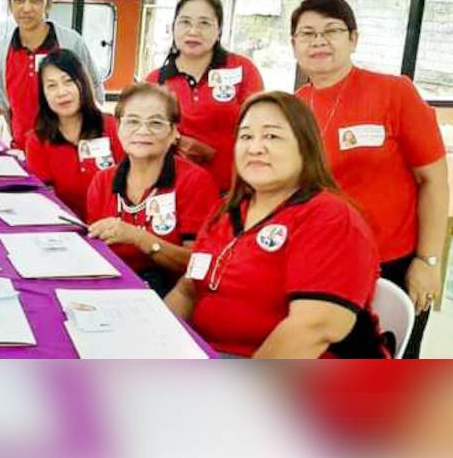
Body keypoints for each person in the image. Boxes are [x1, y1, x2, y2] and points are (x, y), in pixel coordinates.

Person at [165, 92, 387, 359]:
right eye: (246, 136)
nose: (255, 147)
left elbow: (312, 329)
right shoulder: (227, 210)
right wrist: (154, 342)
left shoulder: (330, 218)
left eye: (272, 136)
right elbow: (187, 291)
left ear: (305, 147)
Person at [291, 0, 449, 358]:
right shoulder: (295, 106)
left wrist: (428, 261)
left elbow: (434, 181)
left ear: (354, 39)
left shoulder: (395, 93)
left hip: (392, 264)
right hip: (324, 265)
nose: (319, 41)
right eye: (307, 33)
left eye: (331, 30)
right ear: (294, 44)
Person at [86, 83, 220, 296]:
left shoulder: (195, 181)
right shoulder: (102, 180)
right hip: (109, 289)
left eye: (155, 123)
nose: (142, 131)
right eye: (132, 121)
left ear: (174, 132)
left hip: (171, 296)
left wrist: (140, 238)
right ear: (118, 127)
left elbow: (198, 262)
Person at [147, 0, 264, 192]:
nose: (193, 31)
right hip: (175, 192)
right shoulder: (155, 80)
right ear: (172, 27)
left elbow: (261, 127)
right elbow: (144, 134)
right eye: (185, 22)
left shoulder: (242, 69)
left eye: (204, 23)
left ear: (219, 30)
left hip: (234, 193)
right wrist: (176, 140)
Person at [0, 0, 104, 149]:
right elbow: (4, 104)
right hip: (22, 151)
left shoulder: (70, 43)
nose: (26, 8)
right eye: (19, 0)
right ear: (10, 5)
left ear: (49, 4)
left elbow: (94, 90)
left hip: (69, 150)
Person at [24, 49, 124, 222]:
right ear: (44, 94)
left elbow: (132, 184)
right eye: (52, 85)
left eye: (68, 81)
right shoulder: (37, 140)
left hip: (117, 227)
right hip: (67, 229)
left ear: (83, 83)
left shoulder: (111, 126)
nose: (61, 92)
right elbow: (47, 201)